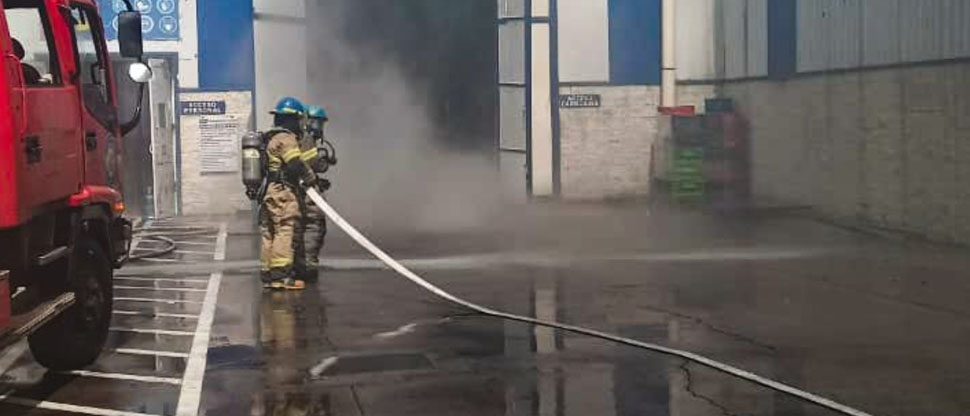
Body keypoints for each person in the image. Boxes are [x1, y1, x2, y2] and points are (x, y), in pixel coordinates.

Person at [259, 97, 318, 290]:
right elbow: (294, 163)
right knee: (285, 230)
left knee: (270, 233)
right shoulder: (287, 139)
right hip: (283, 191)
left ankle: (268, 275)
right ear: (293, 119)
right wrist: (310, 177)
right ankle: (282, 277)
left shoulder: (269, 138)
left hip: (268, 191)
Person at [298, 105, 337, 282]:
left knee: (305, 226)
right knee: (314, 224)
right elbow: (310, 162)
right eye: (317, 122)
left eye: (320, 123)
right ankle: (308, 264)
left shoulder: (304, 138)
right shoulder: (307, 139)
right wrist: (323, 163)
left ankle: (303, 263)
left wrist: (319, 180)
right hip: (304, 193)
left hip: (302, 190)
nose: (319, 127)